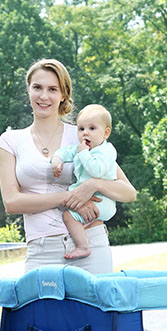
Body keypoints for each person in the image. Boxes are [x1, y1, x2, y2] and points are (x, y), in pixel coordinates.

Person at [0, 59, 136, 274]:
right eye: (37, 87)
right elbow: (12, 202)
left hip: (91, 245)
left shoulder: (83, 135)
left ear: (63, 94)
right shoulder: (10, 140)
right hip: (41, 250)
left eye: (53, 89)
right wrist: (70, 198)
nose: (44, 96)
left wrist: (94, 184)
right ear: (28, 90)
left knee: (96, 298)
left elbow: (129, 193)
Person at [50, 104, 117, 259]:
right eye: (81, 129)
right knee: (72, 211)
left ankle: (83, 246)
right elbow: (67, 151)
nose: (85, 133)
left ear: (106, 133)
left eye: (92, 128)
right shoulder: (81, 148)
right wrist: (57, 159)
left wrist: (84, 153)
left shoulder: (106, 151)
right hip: (88, 198)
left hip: (102, 200)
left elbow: (97, 171)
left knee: (69, 216)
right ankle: (83, 240)